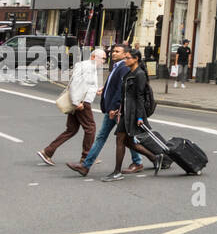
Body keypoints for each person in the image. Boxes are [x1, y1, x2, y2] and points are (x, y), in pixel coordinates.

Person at [68, 43, 144, 176]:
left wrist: (114, 108)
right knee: (112, 137)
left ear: (125, 54)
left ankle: (142, 161)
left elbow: (121, 90)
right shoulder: (117, 66)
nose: (113, 53)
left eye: (117, 51)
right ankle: (85, 166)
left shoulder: (123, 68)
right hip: (112, 109)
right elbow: (113, 85)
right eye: (113, 51)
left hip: (116, 110)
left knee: (125, 138)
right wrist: (105, 89)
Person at [101, 49, 161, 182]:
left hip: (133, 114)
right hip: (125, 112)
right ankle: (155, 158)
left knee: (120, 140)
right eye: (126, 58)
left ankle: (117, 172)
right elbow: (125, 96)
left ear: (136, 59)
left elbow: (139, 97)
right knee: (128, 142)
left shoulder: (139, 74)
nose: (125, 60)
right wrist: (116, 109)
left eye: (128, 58)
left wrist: (140, 117)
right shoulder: (129, 73)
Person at [36, 48, 103, 166]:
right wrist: (76, 102)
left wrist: (95, 90)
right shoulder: (87, 67)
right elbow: (75, 84)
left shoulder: (89, 67)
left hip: (80, 100)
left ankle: (47, 151)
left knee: (71, 130)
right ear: (93, 57)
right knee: (90, 128)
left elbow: (85, 84)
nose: (104, 61)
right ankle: (86, 157)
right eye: (102, 58)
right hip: (82, 102)